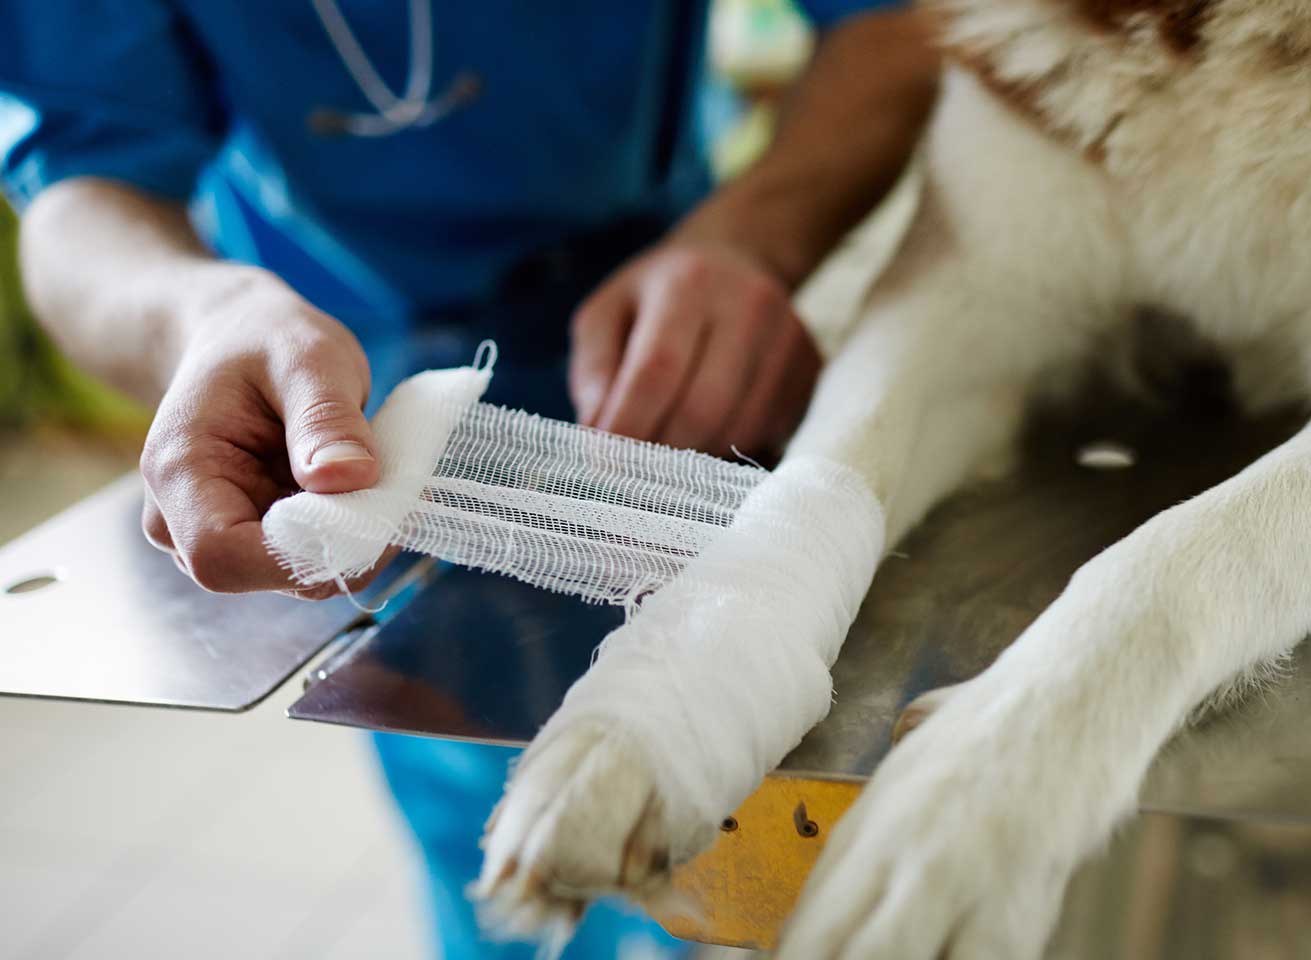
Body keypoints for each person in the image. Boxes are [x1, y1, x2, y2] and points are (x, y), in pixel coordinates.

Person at [0, 2, 939, 957]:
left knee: (722, 837)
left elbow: (895, 22)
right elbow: (80, 180)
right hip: (355, 409)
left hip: (684, 328)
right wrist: (198, 314)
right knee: (492, 852)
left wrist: (758, 233)